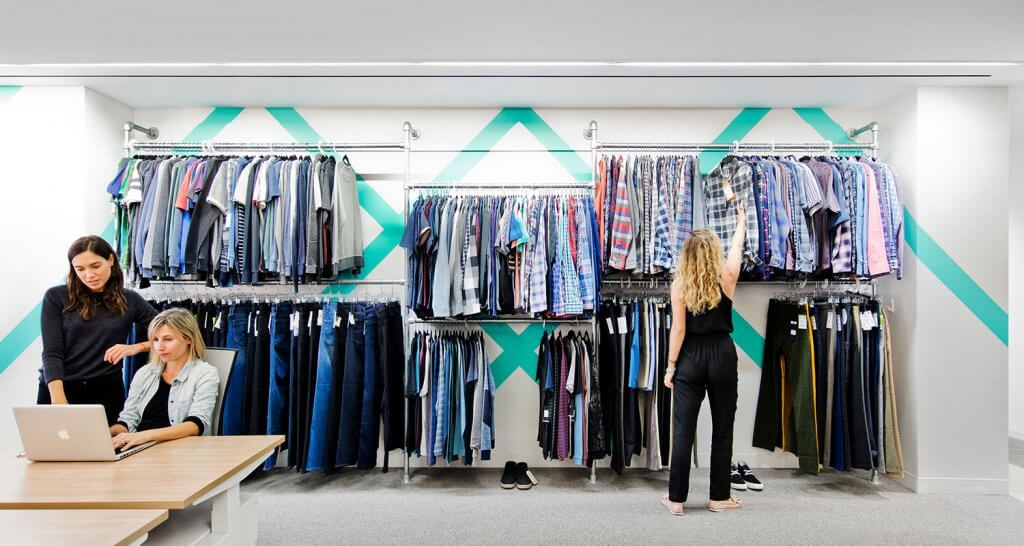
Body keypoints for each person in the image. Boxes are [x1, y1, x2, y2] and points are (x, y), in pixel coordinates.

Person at [661, 203, 748, 515]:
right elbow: (737, 247)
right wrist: (741, 222)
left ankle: (676, 500)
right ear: (714, 252)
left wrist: (671, 367)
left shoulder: (680, 285)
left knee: (683, 430)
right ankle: (719, 497)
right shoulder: (727, 276)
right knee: (723, 428)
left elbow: (679, 329)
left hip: (691, 357)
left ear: (687, 255)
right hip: (723, 354)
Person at [39, 235, 158, 424]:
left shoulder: (131, 300)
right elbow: (52, 352)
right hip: (59, 388)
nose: (89, 275)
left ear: (110, 260)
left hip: (106, 391)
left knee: (106, 452)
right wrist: (58, 399)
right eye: (80, 269)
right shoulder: (56, 297)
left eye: (95, 266)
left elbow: (175, 333)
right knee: (50, 452)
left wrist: (135, 348)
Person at [110, 308, 220, 451]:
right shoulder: (145, 373)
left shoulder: (205, 374)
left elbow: (195, 425)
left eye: (168, 339)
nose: (159, 347)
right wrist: (110, 432)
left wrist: (144, 436)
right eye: (155, 340)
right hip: (138, 449)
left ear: (188, 338)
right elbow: (129, 420)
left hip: (179, 452)